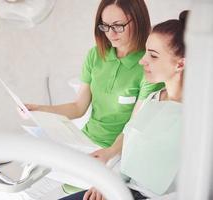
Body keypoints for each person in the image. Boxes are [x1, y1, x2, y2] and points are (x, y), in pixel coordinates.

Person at [60, 10, 189, 200]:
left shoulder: (199, 115)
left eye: (153, 56)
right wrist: (109, 182)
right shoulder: (154, 98)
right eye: (145, 52)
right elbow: (129, 150)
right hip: (124, 189)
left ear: (180, 64)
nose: (142, 60)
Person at [25, 0, 163, 149]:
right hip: (86, 140)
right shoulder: (96, 55)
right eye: (105, 26)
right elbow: (78, 107)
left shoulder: (148, 65)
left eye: (118, 26)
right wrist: (39, 110)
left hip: (119, 151)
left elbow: (136, 127)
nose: (111, 33)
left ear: (138, 21)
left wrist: (108, 153)